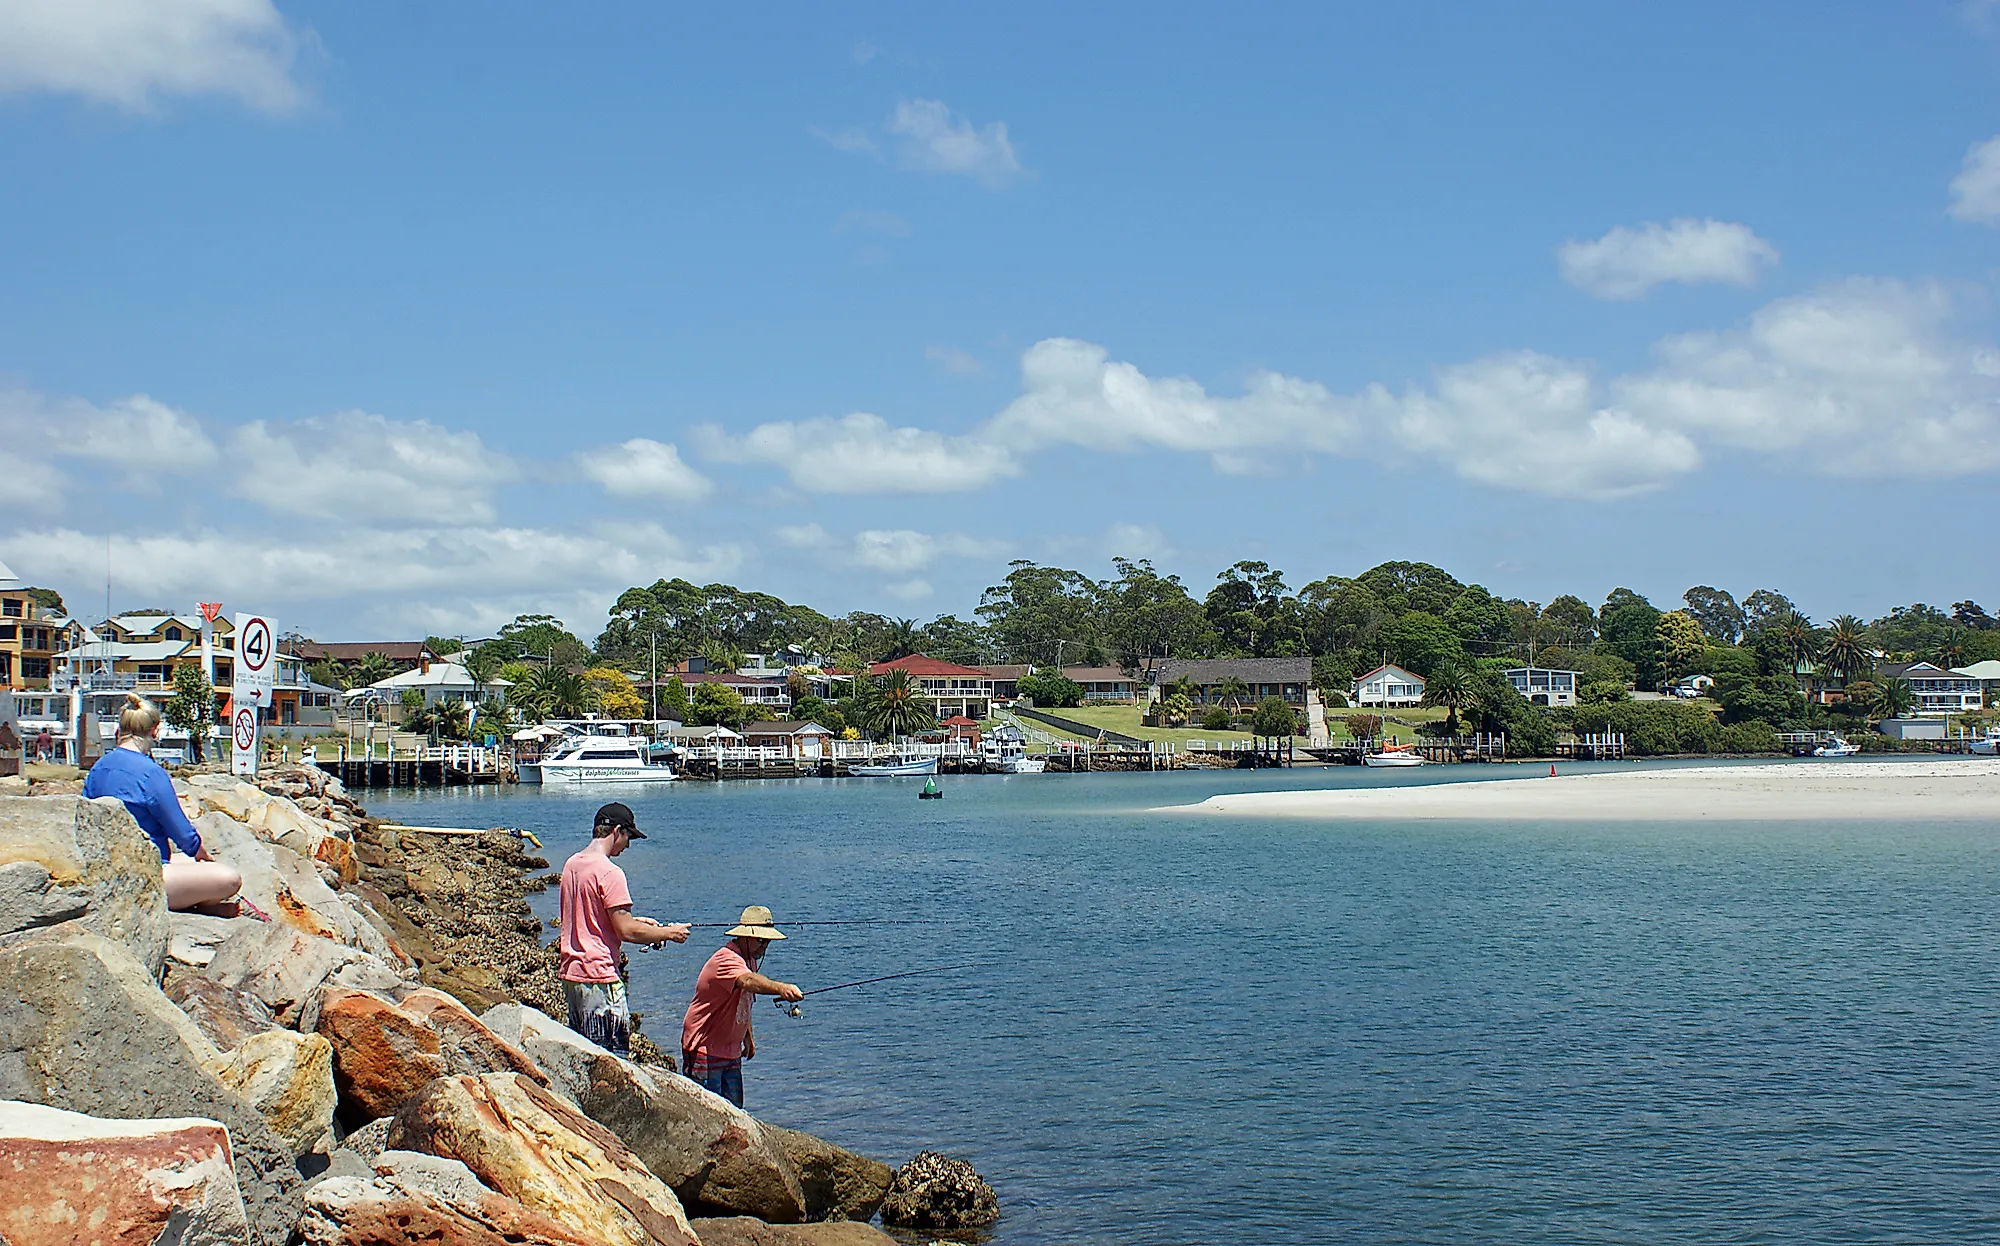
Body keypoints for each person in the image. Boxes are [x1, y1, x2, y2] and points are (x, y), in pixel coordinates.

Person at [80, 694, 244, 913]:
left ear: (120, 731)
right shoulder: (151, 773)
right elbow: (182, 833)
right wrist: (203, 855)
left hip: (106, 867)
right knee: (229, 879)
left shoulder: (98, 769)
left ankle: (197, 902)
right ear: (155, 731)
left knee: (184, 863)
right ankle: (199, 905)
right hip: (143, 874)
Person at [558, 801, 690, 1055]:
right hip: (600, 977)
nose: (629, 845)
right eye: (629, 836)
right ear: (616, 831)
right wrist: (669, 933)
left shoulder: (571, 865)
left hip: (572, 975)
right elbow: (626, 931)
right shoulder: (610, 872)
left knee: (582, 1055)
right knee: (610, 1057)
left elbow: (593, 917)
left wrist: (641, 922)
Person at [680, 905, 804, 1107]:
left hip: (731, 1051)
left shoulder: (749, 961)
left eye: (768, 941)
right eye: (760, 940)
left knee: (735, 1114)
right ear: (745, 936)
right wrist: (781, 988)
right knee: (708, 1114)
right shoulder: (726, 959)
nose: (764, 946)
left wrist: (748, 1037)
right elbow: (747, 982)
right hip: (704, 1049)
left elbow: (744, 1002)